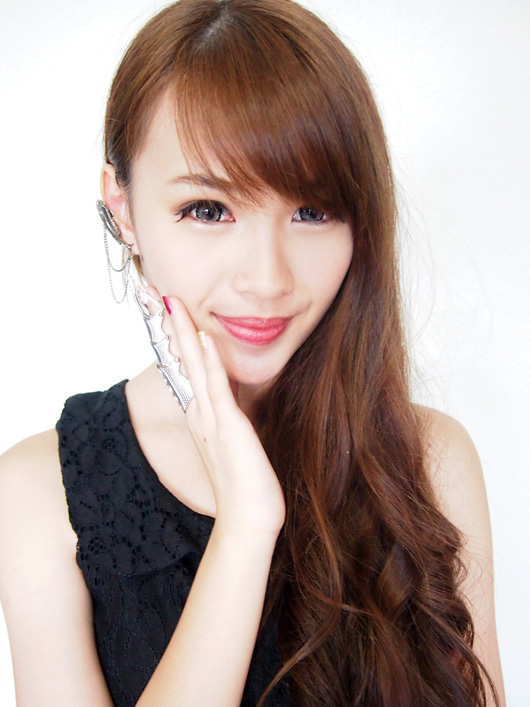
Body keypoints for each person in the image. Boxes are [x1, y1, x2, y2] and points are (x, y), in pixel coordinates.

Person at [0, 0, 505, 705]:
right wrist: (244, 527)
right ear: (123, 207)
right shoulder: (41, 490)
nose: (267, 279)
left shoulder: (429, 460)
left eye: (312, 211)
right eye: (208, 209)